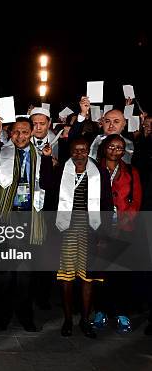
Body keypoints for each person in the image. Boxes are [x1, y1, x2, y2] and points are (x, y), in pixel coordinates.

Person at [0, 117, 53, 332]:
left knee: (25, 272)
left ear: (31, 132)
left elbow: (48, 183)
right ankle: (3, 315)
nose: (20, 137)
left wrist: (48, 161)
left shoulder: (40, 154)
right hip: (4, 217)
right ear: (9, 133)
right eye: (16, 132)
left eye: (24, 132)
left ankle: (25, 315)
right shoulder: (2, 151)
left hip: (29, 218)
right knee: (3, 271)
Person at [50, 138, 113, 338]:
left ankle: (85, 320)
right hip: (66, 228)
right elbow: (48, 193)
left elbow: (107, 205)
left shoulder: (99, 173)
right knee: (67, 277)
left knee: (88, 278)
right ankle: (68, 320)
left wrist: (105, 234)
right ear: (70, 152)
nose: (79, 154)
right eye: (75, 151)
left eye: (83, 150)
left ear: (89, 151)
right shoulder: (61, 171)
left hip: (91, 229)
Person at [92, 134, 143, 334]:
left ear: (124, 151)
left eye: (119, 148)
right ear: (104, 148)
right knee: (100, 272)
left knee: (120, 273)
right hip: (99, 227)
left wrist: (125, 219)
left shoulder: (131, 171)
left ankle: (121, 312)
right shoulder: (94, 169)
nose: (115, 150)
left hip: (123, 228)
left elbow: (136, 200)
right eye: (111, 146)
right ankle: (100, 311)